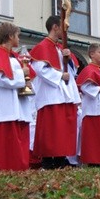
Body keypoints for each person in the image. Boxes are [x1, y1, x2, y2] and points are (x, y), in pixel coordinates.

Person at [30, 15, 81, 169]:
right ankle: (47, 162)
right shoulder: (42, 47)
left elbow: (72, 71)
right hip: (50, 95)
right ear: (55, 27)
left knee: (63, 132)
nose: (65, 31)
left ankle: (60, 160)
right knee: (51, 132)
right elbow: (40, 70)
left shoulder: (60, 48)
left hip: (64, 95)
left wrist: (69, 60)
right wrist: (60, 75)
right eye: (63, 27)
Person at [0, 22, 34, 172]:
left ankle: (21, 170)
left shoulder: (15, 57)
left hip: (19, 108)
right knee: (6, 148)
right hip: (4, 109)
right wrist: (22, 76)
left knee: (19, 146)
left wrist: (28, 82)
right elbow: (0, 79)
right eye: (17, 35)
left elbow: (26, 76)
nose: (19, 38)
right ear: (10, 36)